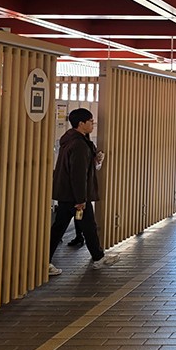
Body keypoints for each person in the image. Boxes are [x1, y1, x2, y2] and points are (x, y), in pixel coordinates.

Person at [48, 108, 118, 275]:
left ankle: (98, 257)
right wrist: (80, 199)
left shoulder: (72, 140)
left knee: (78, 227)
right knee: (71, 228)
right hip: (74, 195)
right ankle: (44, 261)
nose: (93, 124)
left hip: (68, 193)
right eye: (90, 121)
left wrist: (95, 160)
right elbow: (78, 174)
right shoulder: (79, 144)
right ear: (81, 123)